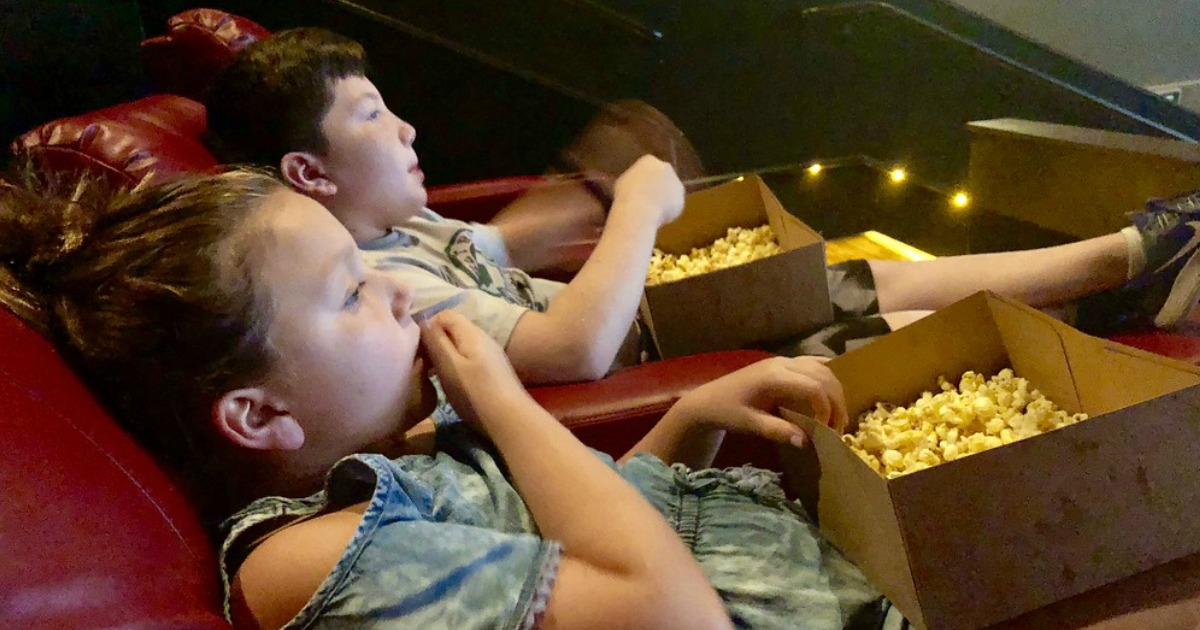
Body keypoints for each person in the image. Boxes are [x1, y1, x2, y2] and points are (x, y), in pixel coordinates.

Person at [0, 166, 900, 629]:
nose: (399, 295)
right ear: (260, 415)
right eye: (352, 292)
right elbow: (667, 615)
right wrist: (504, 404)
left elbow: (584, 536)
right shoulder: (304, 564)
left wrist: (688, 419)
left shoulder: (392, 460)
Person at [204, 28, 1200, 385]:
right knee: (871, 311)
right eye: (374, 117)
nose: (409, 130)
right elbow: (568, 356)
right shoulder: (373, 281)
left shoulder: (395, 232)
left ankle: (1112, 267)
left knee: (853, 279)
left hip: (646, 326)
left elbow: (497, 250)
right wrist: (635, 206)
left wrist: (589, 180)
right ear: (308, 175)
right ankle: (1115, 278)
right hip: (630, 362)